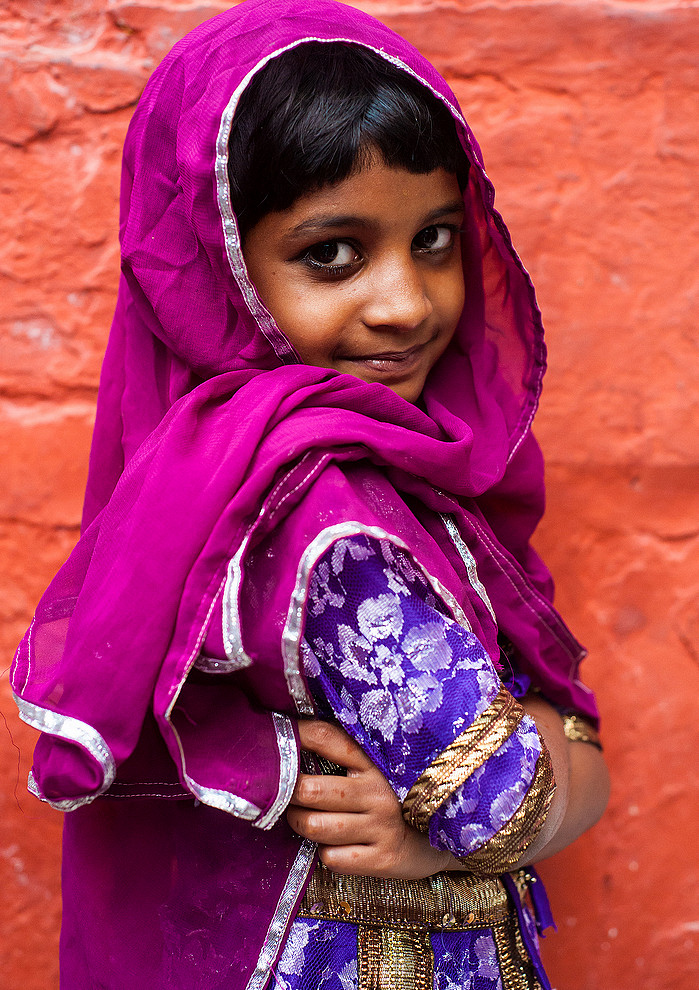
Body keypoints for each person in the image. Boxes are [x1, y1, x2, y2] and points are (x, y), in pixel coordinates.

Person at [11, 1, 609, 987]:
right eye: (331, 254)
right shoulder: (327, 513)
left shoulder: (239, 477)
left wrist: (529, 775)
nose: (406, 305)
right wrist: (564, 756)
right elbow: (502, 806)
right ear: (221, 268)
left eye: (435, 239)